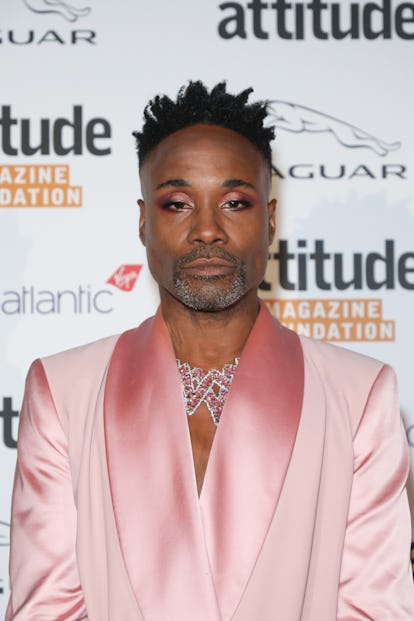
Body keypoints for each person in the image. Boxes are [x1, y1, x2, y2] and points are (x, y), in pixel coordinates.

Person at [6, 82, 414, 621]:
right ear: (142, 222)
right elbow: (44, 611)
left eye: (234, 202)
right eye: (177, 203)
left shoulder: (359, 395)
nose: (206, 230)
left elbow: (375, 609)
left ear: (269, 221)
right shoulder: (63, 392)